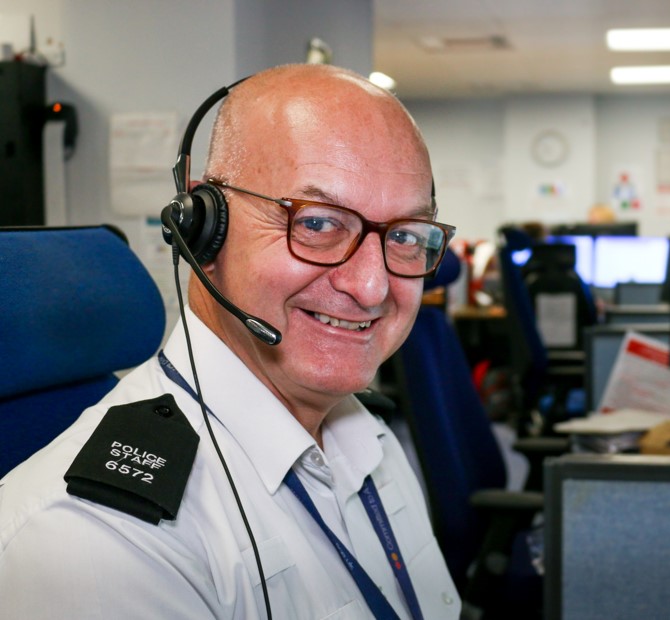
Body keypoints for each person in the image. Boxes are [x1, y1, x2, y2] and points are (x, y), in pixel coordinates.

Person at [0, 64, 461, 619]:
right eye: (317, 224)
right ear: (203, 224)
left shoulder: (373, 439)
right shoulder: (97, 545)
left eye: (406, 235)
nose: (371, 287)